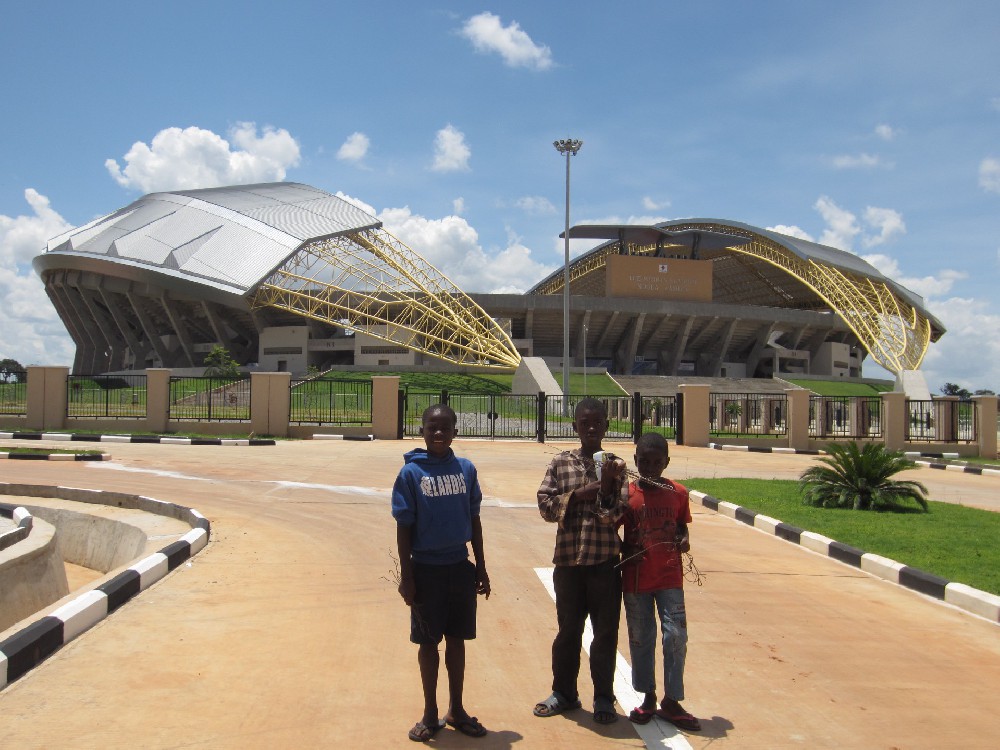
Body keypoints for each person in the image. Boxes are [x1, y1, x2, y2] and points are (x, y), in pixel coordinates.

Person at [392, 404, 491, 743]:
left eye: (445, 427)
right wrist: (407, 576)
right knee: (427, 643)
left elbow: (474, 520)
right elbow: (404, 527)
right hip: (425, 570)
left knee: (457, 640)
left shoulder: (466, 469)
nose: (438, 433)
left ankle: (456, 709)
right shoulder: (410, 474)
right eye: (432, 427)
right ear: (421, 431)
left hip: (459, 567)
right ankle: (429, 712)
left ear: (455, 432)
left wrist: (481, 566)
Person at [533, 397, 629, 726]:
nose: (591, 428)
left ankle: (603, 696)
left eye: (597, 423)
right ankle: (564, 692)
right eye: (584, 423)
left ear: (606, 426)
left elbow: (613, 516)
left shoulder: (616, 466)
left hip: (604, 564)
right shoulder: (561, 463)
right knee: (568, 632)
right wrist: (578, 495)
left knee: (605, 633)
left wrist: (607, 488)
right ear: (575, 426)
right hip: (569, 563)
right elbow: (545, 506)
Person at [619, 432, 701, 732]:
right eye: (644, 462)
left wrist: (683, 540)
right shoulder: (628, 495)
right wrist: (626, 549)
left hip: (670, 578)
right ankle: (648, 696)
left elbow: (681, 526)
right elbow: (612, 529)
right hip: (637, 580)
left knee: (675, 636)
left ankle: (672, 700)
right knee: (641, 637)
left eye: (657, 462)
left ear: (666, 462)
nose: (650, 468)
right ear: (635, 460)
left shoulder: (678, 493)